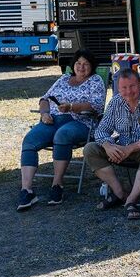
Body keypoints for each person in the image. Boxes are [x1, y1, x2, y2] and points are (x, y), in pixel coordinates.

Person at [18, 49, 106, 211]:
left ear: (92, 66)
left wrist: (72, 107)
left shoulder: (96, 80)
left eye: (86, 64)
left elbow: (96, 106)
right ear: (73, 64)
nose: (81, 67)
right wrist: (44, 114)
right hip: (52, 120)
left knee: (62, 135)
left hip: (81, 121)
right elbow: (45, 99)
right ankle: (27, 190)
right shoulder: (64, 78)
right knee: (29, 140)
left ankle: (57, 185)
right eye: (78, 63)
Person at [83, 68, 140, 220]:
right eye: (124, 87)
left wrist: (131, 148)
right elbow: (101, 130)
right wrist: (108, 146)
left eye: (132, 86)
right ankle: (121, 194)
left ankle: (132, 200)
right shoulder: (116, 102)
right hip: (121, 149)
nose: (128, 91)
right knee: (90, 148)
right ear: (118, 88)